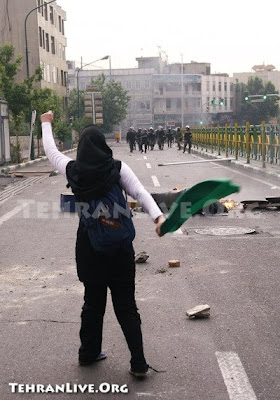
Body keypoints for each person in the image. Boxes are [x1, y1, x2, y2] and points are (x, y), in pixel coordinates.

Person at [40, 111, 165, 378]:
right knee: (126, 306)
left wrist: (46, 123)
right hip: (119, 247)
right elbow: (140, 192)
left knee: (93, 302)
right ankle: (139, 363)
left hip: (90, 247)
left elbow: (51, 153)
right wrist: (158, 216)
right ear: (103, 145)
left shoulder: (73, 170)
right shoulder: (116, 168)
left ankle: (88, 353)